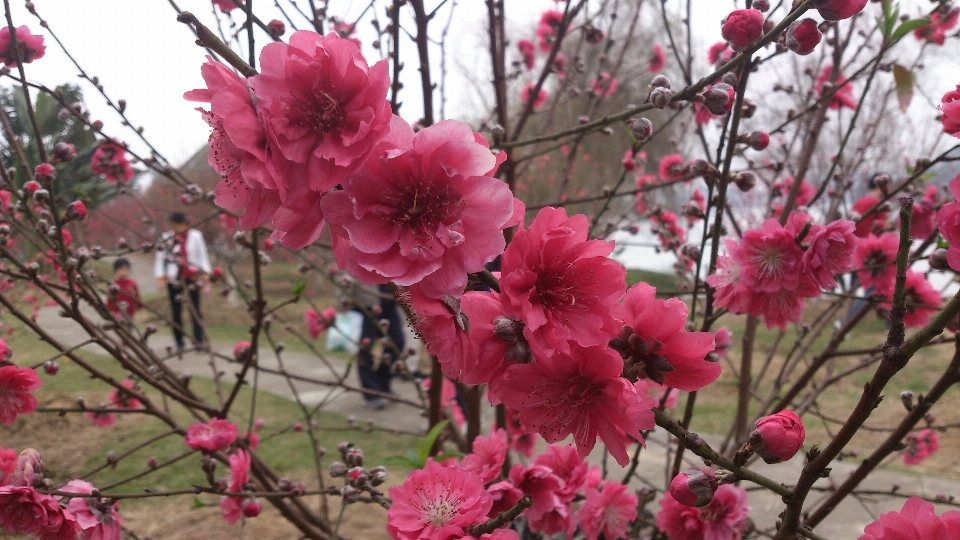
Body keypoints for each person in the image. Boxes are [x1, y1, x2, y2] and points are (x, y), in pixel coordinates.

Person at [340, 278, 406, 410]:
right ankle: (370, 394)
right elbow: (343, 268)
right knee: (365, 350)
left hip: (388, 300)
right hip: (365, 303)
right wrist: (343, 298)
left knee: (397, 342)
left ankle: (383, 384)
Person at [154, 213, 211, 351]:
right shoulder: (167, 238)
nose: (173, 229)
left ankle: (199, 341)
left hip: (192, 276)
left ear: (183, 224)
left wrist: (205, 273)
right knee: (176, 311)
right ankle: (179, 342)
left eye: (175, 226)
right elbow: (160, 257)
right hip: (174, 278)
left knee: (195, 310)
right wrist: (160, 277)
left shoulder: (196, 236)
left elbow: (202, 254)